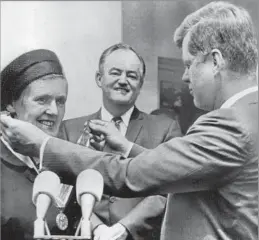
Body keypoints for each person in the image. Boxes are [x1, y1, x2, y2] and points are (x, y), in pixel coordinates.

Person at [1, 2, 258, 240]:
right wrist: (126, 146)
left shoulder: (231, 124)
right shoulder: (248, 115)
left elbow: (133, 175)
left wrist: (43, 145)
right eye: (41, 100)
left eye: (189, 65)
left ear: (215, 61)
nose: (185, 77)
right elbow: (180, 168)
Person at [59, 43, 182, 240]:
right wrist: (97, 228)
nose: (123, 81)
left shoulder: (165, 128)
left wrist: (123, 228)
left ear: (140, 84)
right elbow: (64, 191)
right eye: (115, 73)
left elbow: (167, 190)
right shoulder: (69, 130)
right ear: (99, 78)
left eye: (132, 76)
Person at [0, 49, 75, 239]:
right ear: (11, 104)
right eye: (42, 100)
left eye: (60, 101)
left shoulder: (61, 162)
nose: (54, 111)